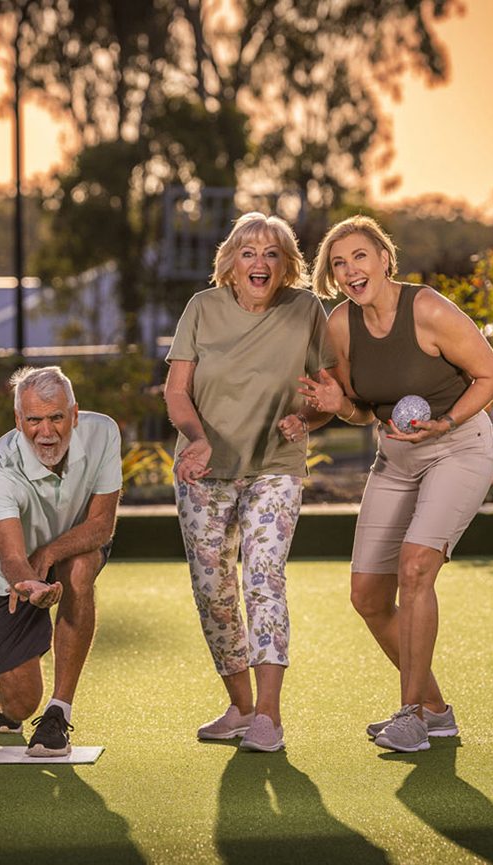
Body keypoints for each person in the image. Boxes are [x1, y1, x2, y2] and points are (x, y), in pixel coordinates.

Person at [299, 214, 493, 753]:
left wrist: (449, 422)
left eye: (360, 256)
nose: (350, 270)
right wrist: (334, 404)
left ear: (385, 258)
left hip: (458, 446)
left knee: (416, 567)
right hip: (395, 456)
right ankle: (435, 709)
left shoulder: (429, 308)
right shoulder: (340, 325)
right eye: (339, 263)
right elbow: (359, 410)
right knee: (368, 595)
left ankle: (410, 713)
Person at [163, 212, 337, 752]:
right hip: (204, 468)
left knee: (263, 576)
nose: (259, 262)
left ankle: (268, 715)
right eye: (248, 252)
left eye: (271, 253)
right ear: (231, 264)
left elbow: (329, 393)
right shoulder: (201, 308)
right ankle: (239, 706)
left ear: (286, 266)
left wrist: (305, 420)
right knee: (212, 590)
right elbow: (176, 391)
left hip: (275, 467)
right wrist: (195, 438)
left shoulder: (307, 310)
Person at [0, 366, 121, 757]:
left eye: (56, 417)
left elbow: (102, 525)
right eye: (34, 420)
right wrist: (29, 584)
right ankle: (9, 704)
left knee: (79, 570)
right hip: (13, 573)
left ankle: (59, 711)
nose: (47, 431)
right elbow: (10, 557)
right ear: (18, 421)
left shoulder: (102, 432)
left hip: (73, 546)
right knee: (20, 702)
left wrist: (51, 553)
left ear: (74, 414)